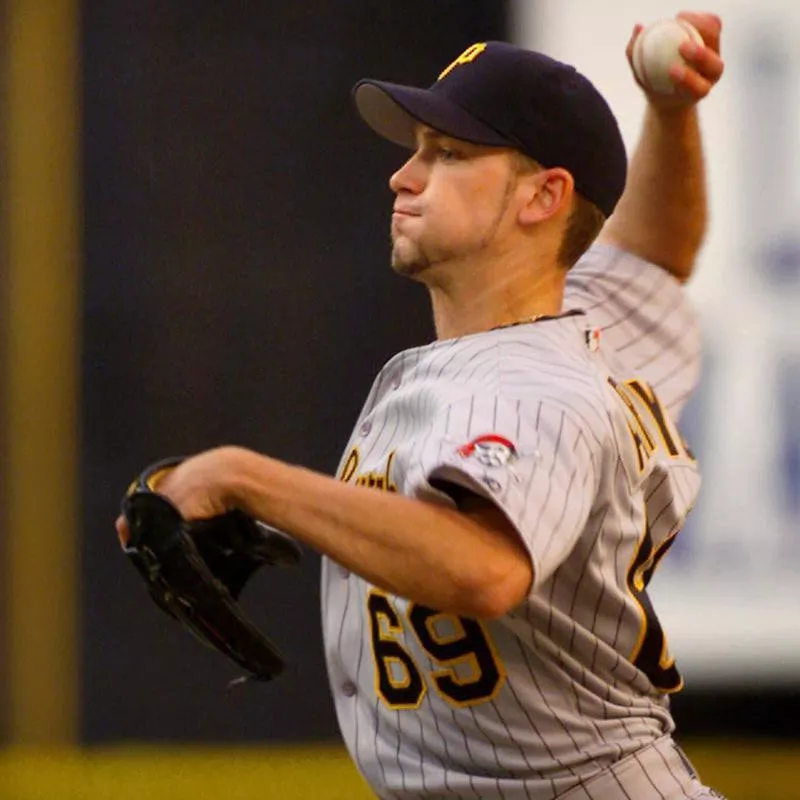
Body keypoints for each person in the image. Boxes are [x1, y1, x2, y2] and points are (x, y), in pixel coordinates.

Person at [117, 11, 725, 799]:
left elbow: (483, 569)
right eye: (417, 151)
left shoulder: (529, 388)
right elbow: (653, 254)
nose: (403, 175)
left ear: (543, 197)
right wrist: (671, 113)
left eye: (450, 154)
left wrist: (245, 478)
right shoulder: (587, 320)